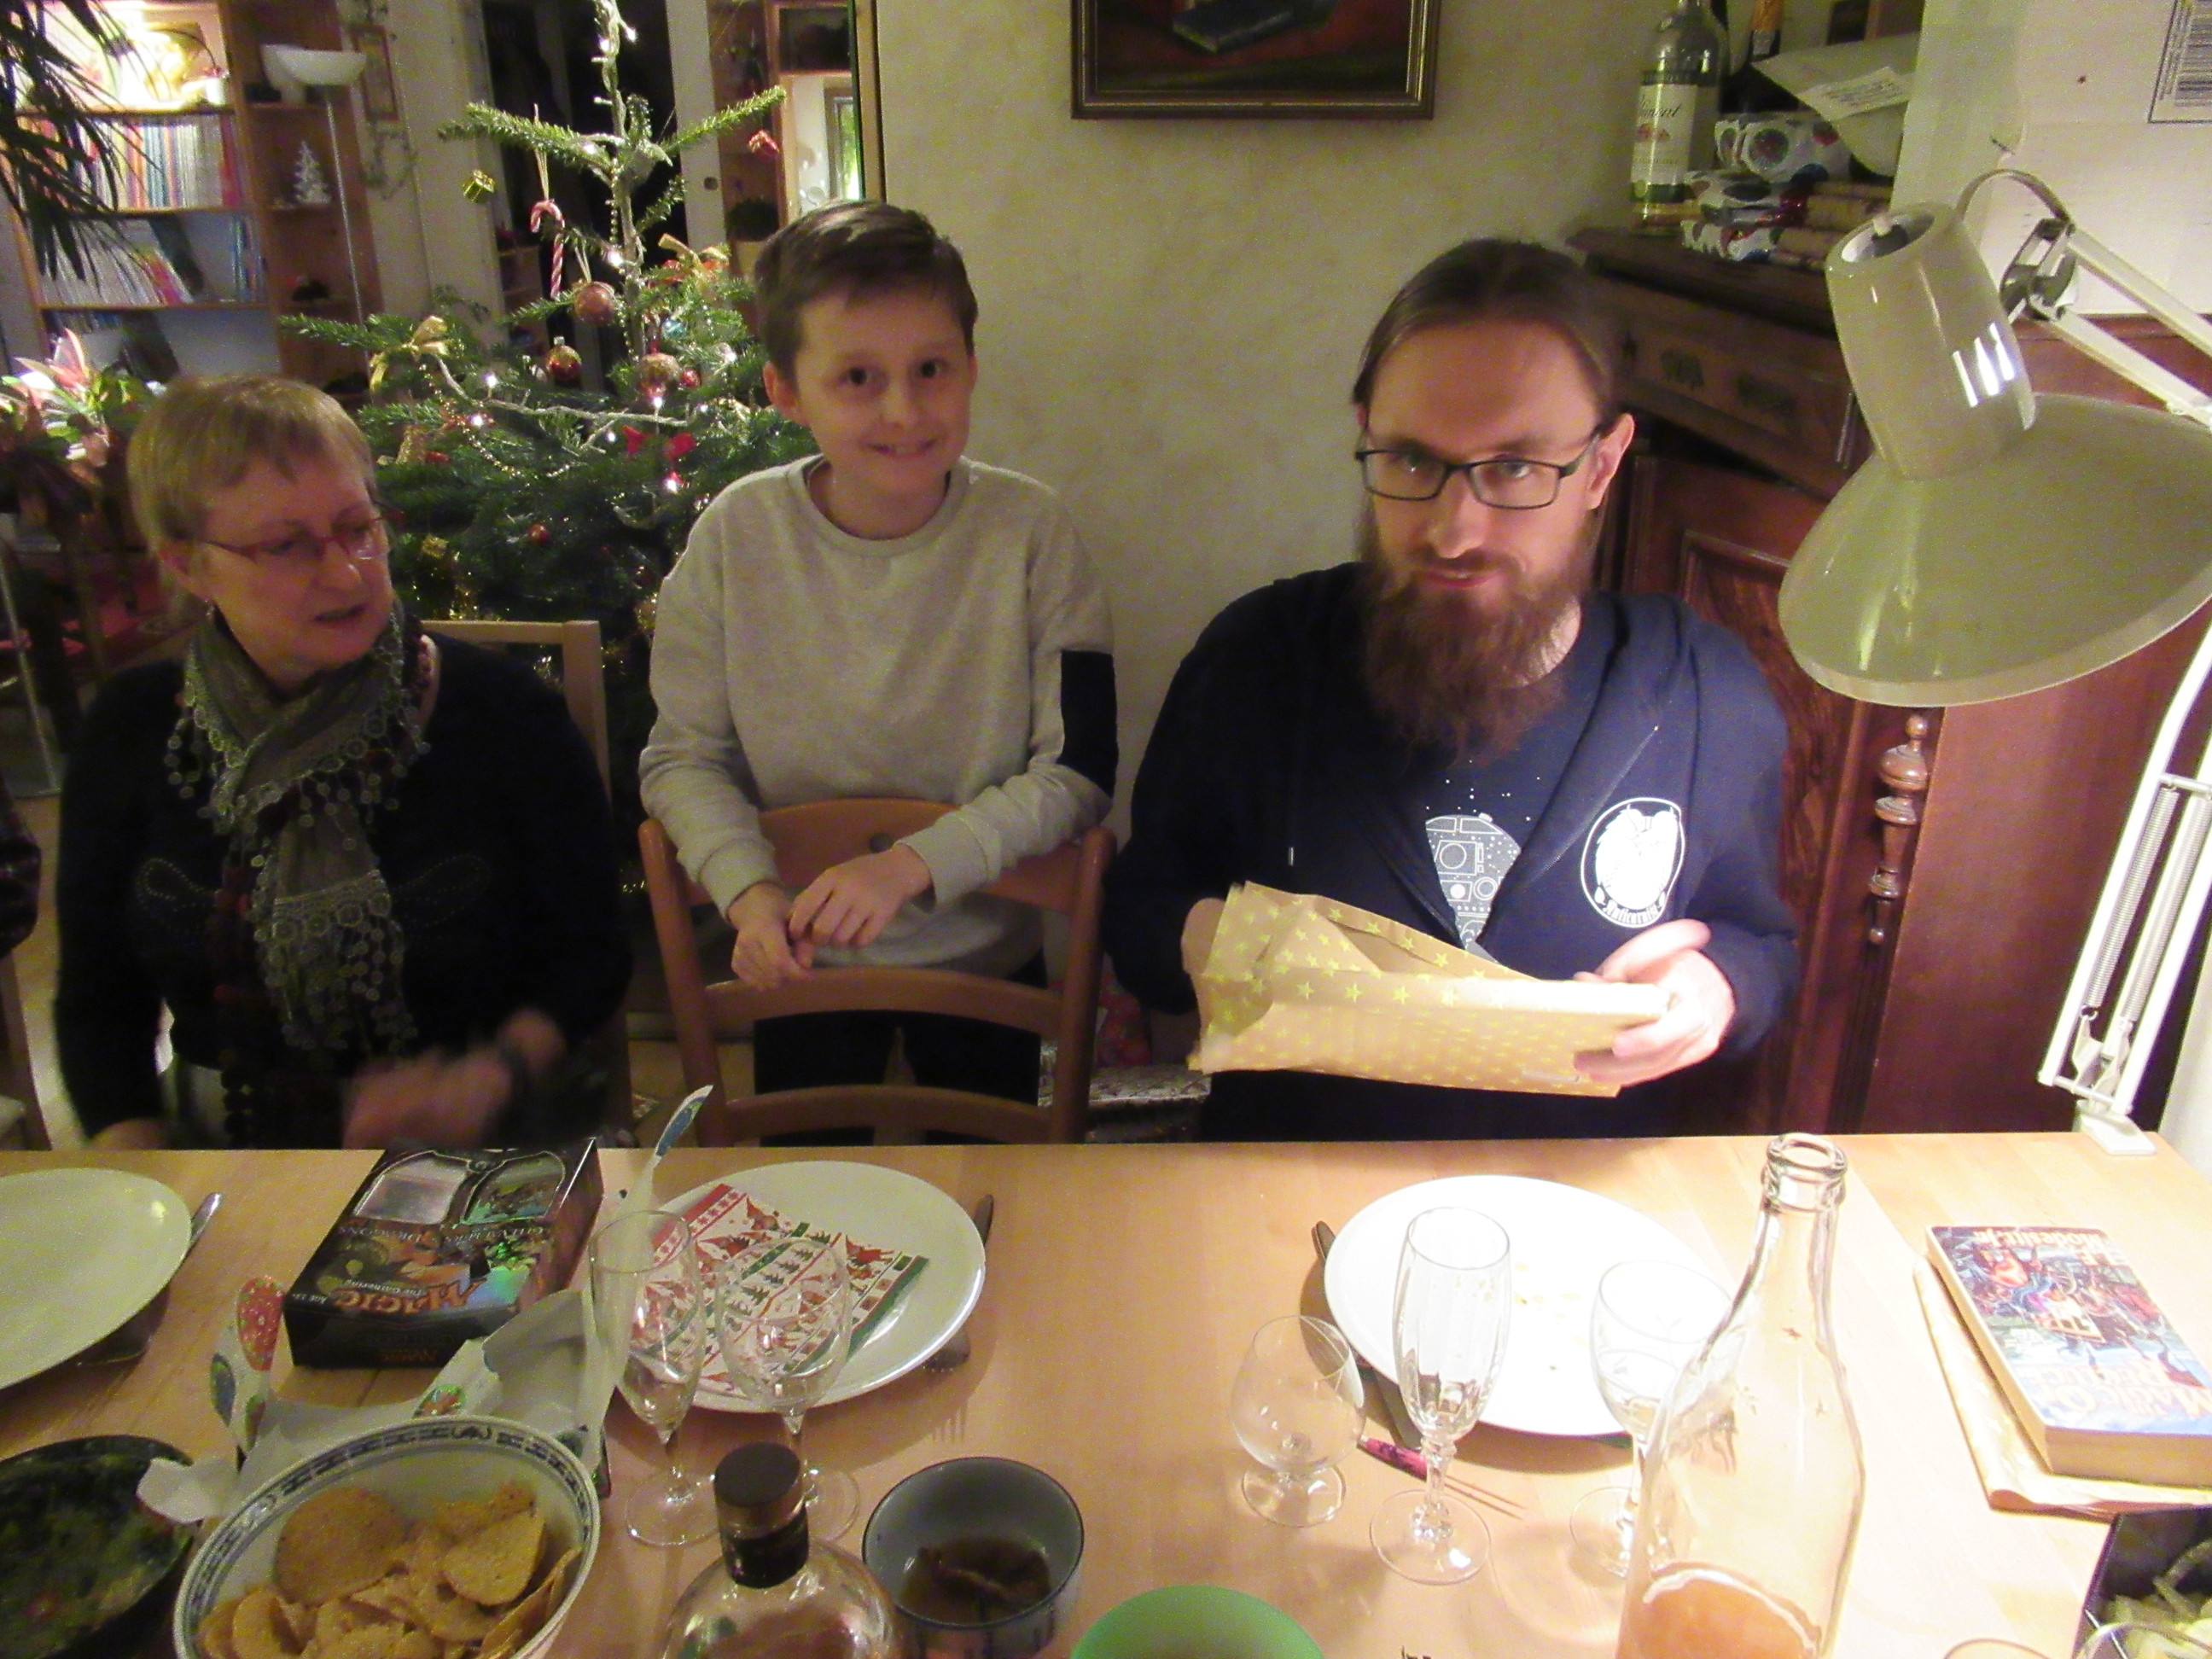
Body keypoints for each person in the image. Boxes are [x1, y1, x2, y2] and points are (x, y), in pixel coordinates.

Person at [1103, 238, 1796, 1140]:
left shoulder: (1703, 693)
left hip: (1569, 1197)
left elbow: (1758, 942)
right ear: (1366, 432)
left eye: (1513, 467)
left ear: (1602, 465)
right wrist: (1203, 939)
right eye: (1411, 461)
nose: (1454, 530)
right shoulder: (1256, 661)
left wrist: (1716, 990)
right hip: (1289, 1185)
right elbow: (1141, 911)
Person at [56, 375, 630, 1150]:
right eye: (286, 545)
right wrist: (141, 1176)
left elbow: (592, 957)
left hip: (484, 1140)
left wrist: (488, 1077)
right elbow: (98, 1003)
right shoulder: (130, 729)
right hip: (224, 1149)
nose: (348, 573)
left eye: (359, 528)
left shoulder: (502, 712)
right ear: (188, 566)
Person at [641, 201, 1115, 1107]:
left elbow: (1080, 770)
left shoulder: (1033, 533)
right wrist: (746, 892)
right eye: (858, 377)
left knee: (993, 1180)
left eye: (932, 369)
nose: (905, 410)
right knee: (805, 1179)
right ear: (786, 391)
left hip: (987, 960)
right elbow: (682, 759)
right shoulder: (735, 536)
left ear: (971, 366)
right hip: (802, 956)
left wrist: (909, 865)